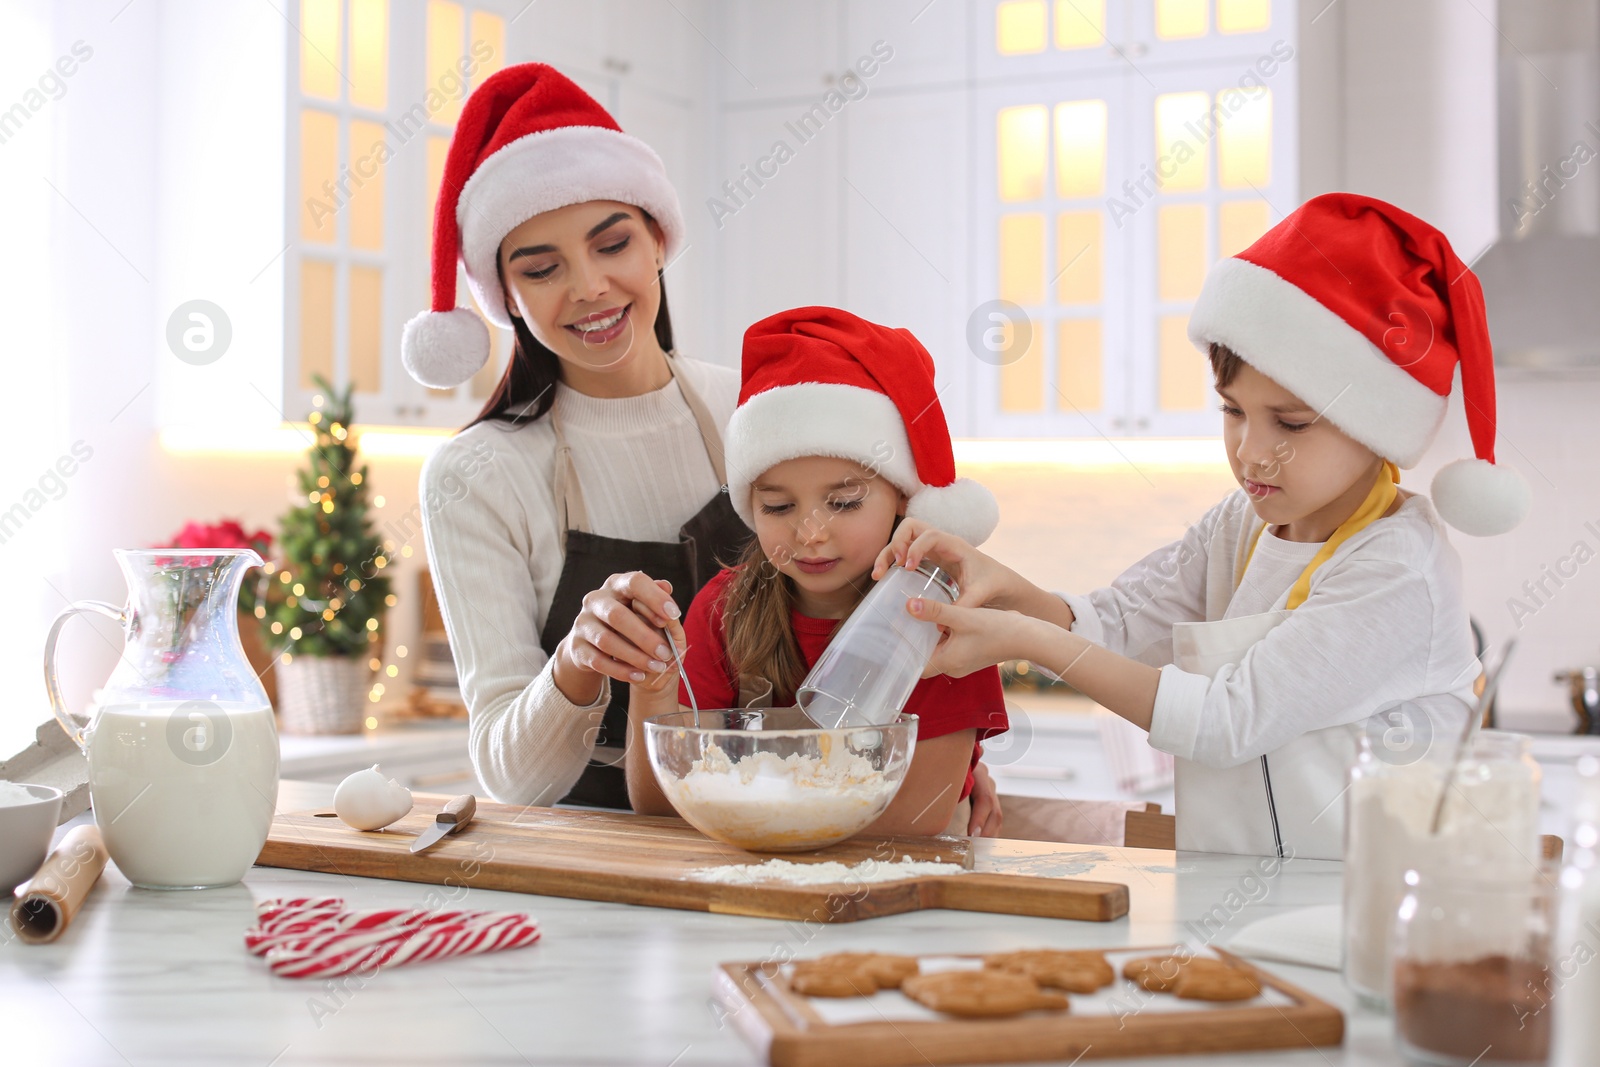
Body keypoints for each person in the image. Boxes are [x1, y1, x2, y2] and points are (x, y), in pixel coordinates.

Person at [404, 64, 1009, 829]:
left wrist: (942, 766)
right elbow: (514, 780)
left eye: (612, 243)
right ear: (507, 298)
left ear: (658, 240)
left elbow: (889, 595)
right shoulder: (475, 475)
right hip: (587, 864)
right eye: (542, 268)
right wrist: (577, 666)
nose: (589, 286)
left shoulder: (756, 410)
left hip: (781, 831)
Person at [872, 193, 1531, 858]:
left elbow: (1226, 718)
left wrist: (1025, 639)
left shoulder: (1397, 564)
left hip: (1371, 923)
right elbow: (1123, 625)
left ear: (1375, 425)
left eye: (1290, 422)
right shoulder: (1239, 525)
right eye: (1232, 410)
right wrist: (1004, 586)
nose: (1249, 450)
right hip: (1239, 911)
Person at [626, 307, 1009, 835]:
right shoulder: (722, 609)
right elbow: (661, 808)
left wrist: (743, 802)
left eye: (845, 502)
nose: (809, 533)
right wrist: (652, 688)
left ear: (902, 495)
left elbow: (910, 822)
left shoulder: (941, 622)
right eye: (778, 508)